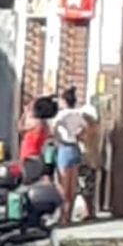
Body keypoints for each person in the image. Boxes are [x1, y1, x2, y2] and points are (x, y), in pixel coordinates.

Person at [55, 87, 88, 225]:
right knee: (73, 186)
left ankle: (63, 216)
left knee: (63, 185)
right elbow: (85, 128)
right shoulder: (78, 114)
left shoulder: (60, 115)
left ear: (64, 101)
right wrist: (77, 136)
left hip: (64, 149)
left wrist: (59, 138)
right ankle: (69, 215)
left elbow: (54, 130)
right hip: (75, 148)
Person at [20, 96, 53, 164]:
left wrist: (24, 114)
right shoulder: (43, 123)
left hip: (30, 156)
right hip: (34, 155)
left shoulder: (36, 122)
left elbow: (20, 128)